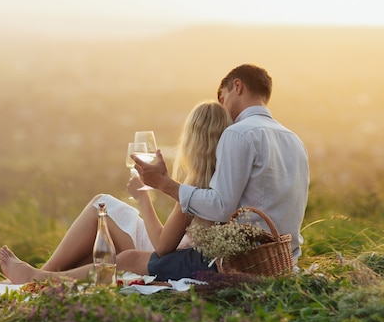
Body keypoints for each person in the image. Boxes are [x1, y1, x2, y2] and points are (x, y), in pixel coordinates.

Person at [0, 100, 233, 284]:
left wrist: (143, 198)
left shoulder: (196, 185)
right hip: (181, 248)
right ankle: (38, 278)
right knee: (101, 217)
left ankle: (38, 278)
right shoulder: (227, 177)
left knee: (100, 205)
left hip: (169, 253)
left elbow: (162, 246)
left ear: (191, 140)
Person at [133, 63, 310, 264]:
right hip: (284, 258)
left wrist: (164, 183)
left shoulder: (238, 133)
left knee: (129, 259)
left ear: (238, 86)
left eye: (222, 98)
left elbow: (221, 207)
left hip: (246, 260)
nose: (222, 107)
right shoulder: (295, 140)